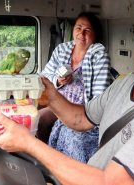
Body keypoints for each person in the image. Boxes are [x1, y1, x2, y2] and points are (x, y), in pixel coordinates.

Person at [0, 5, 134, 184]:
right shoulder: (126, 82)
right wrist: (51, 97)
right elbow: (83, 118)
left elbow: (106, 182)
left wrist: (28, 143)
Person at [37, 12, 112, 163]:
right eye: (78, 28)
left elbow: (100, 94)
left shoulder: (99, 55)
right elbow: (45, 75)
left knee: (41, 119)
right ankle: (44, 159)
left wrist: (90, 118)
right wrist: (57, 81)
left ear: (95, 34)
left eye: (87, 30)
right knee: (32, 109)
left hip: (80, 107)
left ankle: (47, 158)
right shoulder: (62, 49)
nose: (81, 34)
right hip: (59, 99)